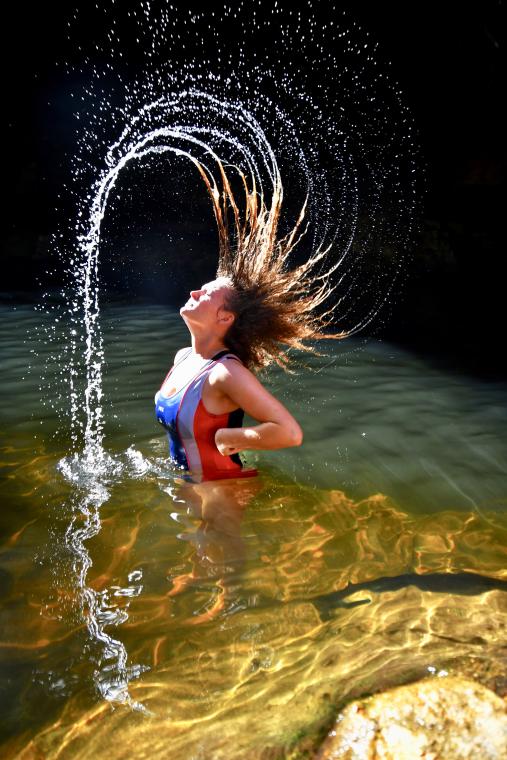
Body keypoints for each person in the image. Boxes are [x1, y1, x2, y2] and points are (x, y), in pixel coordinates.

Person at [155, 157, 346, 483]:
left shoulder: (225, 373)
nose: (194, 292)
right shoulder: (183, 358)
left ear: (225, 316)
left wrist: (230, 439)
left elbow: (289, 433)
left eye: (206, 293)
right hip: (188, 485)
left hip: (222, 492)